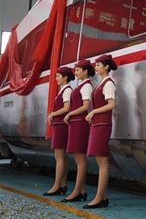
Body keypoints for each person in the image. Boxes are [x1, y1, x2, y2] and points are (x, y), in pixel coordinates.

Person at [84, 54, 117, 209]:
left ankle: (99, 198)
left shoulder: (108, 83)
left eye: (98, 65)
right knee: (101, 162)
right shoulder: (102, 83)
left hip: (103, 125)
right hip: (98, 124)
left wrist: (93, 112)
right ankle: (103, 197)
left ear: (106, 67)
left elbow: (111, 104)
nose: (95, 67)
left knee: (103, 163)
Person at [62, 59, 94, 203]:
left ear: (85, 71)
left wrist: (69, 114)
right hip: (75, 123)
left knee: (80, 160)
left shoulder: (86, 86)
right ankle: (82, 191)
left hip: (80, 123)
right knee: (77, 159)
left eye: (78, 70)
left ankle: (76, 191)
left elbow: (85, 106)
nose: (75, 72)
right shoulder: (81, 85)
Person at [43, 66, 74, 196]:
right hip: (59, 125)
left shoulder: (66, 90)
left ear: (65, 77)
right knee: (61, 157)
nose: (56, 79)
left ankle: (57, 186)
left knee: (59, 157)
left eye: (58, 76)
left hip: (61, 125)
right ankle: (62, 184)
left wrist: (52, 114)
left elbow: (67, 107)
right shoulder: (64, 90)